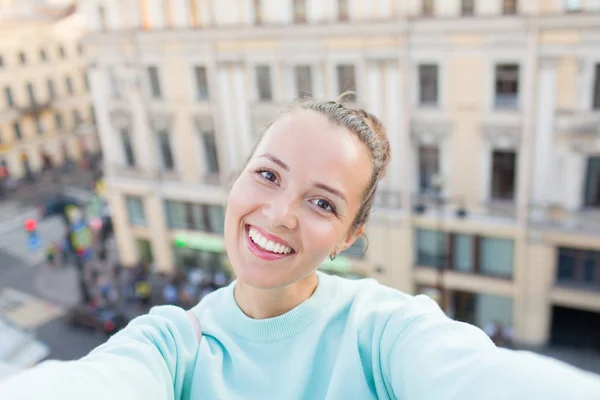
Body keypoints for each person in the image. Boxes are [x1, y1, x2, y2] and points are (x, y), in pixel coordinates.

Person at [1, 97, 599, 400]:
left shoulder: (382, 332)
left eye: (323, 203)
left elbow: (487, 379)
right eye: (267, 174)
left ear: (348, 238)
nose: (280, 213)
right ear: (237, 178)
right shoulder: (170, 344)